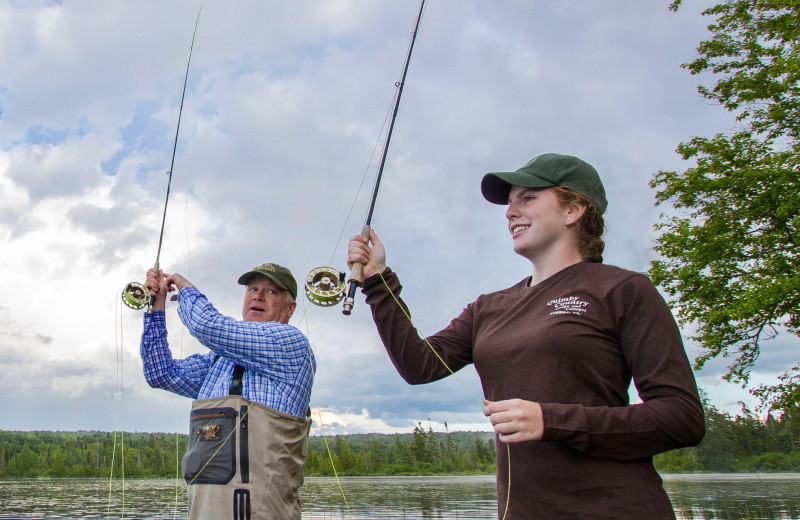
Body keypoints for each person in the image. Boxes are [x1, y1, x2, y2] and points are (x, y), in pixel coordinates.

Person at [347, 153, 705, 519]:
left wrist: (551, 420)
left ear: (574, 209)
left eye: (528, 198)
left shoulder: (624, 289)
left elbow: (682, 418)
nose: (510, 212)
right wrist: (378, 279)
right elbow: (417, 366)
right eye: (509, 202)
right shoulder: (488, 307)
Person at [140, 262, 315, 520]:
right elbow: (160, 373)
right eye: (252, 289)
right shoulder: (217, 361)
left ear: (290, 308)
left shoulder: (291, 343)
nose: (257, 295)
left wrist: (186, 289)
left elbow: (207, 326)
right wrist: (156, 306)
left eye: (271, 291)